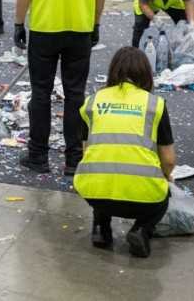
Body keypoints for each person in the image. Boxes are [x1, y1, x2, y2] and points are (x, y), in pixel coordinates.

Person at [13, 0, 105, 175]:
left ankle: (38, 157)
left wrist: (18, 24)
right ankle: (74, 159)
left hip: (44, 29)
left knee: (41, 93)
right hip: (79, 29)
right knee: (75, 94)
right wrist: (95, 24)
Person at [74, 47, 176, 258]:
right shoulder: (154, 105)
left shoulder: (92, 102)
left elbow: (88, 152)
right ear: (146, 74)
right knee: (163, 194)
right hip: (144, 199)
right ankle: (141, 230)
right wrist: (166, 178)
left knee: (103, 176)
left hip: (95, 193)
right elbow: (169, 159)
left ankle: (101, 229)